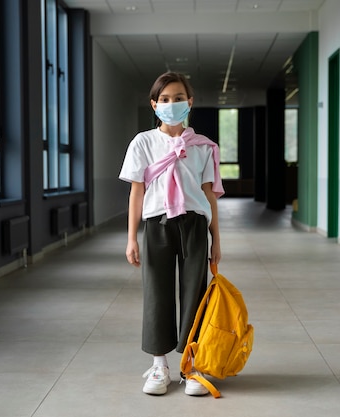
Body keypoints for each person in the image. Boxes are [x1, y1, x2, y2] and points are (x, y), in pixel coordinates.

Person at [119, 72, 224, 396]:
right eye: (164, 99)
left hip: (194, 224)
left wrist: (216, 238)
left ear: (189, 102)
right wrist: (131, 237)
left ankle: (192, 366)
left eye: (178, 98)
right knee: (157, 293)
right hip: (156, 225)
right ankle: (160, 365)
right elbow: (137, 192)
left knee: (195, 294)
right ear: (154, 104)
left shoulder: (203, 147)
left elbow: (208, 195)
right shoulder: (143, 142)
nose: (171, 104)